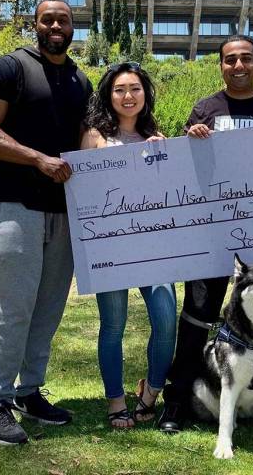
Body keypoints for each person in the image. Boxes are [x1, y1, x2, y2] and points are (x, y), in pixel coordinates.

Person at [157, 35, 253, 433]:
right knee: (197, 317)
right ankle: (178, 400)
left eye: (245, 58)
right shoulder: (205, 108)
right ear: (220, 65)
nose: (238, 66)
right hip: (212, 232)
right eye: (230, 60)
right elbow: (186, 166)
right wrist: (190, 138)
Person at [0, 0, 93, 445]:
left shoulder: (80, 79)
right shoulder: (10, 68)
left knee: (48, 310)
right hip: (18, 204)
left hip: (66, 210)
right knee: (14, 307)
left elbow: (90, 138)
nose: (56, 25)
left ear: (73, 26)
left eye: (63, 19)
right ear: (35, 24)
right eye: (48, 19)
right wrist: (37, 159)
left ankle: (29, 392)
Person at [80, 62, 178, 429]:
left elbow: (169, 189)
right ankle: (116, 401)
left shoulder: (155, 133)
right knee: (113, 325)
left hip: (154, 245)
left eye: (135, 88)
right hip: (111, 248)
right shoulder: (94, 134)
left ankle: (150, 393)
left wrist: (164, 155)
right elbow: (88, 190)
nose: (128, 96)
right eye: (120, 89)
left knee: (166, 320)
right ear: (109, 94)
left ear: (144, 94)